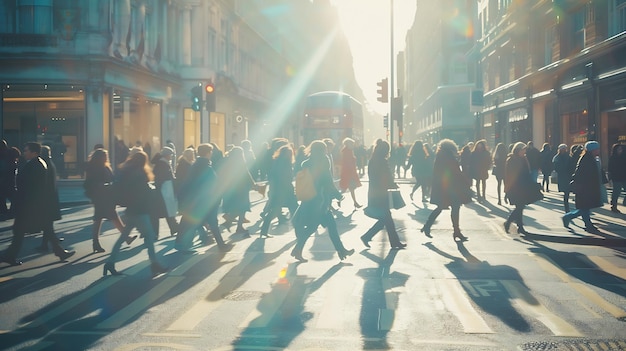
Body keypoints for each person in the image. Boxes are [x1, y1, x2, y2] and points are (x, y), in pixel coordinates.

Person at [1, 142, 74, 266]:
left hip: (29, 205)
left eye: (26, 151)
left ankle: (10, 255)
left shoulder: (36, 165)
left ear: (34, 152)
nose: (24, 153)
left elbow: (30, 188)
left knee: (22, 231)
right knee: (42, 229)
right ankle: (59, 252)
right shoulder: (34, 164)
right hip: (31, 205)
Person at [103, 151, 167, 276]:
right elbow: (141, 193)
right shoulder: (140, 173)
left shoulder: (127, 172)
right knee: (149, 236)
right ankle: (155, 264)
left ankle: (110, 263)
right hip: (141, 211)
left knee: (123, 238)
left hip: (131, 210)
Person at [290, 140, 354, 262]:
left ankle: (341, 250)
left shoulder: (306, 163)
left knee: (327, 226)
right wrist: (338, 195)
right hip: (320, 201)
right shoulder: (324, 161)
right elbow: (328, 182)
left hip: (309, 200)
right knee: (314, 227)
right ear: (322, 150)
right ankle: (297, 249)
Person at [176, 143, 229, 252]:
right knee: (195, 223)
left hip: (196, 200)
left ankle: (220, 244)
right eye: (211, 152)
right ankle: (183, 245)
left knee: (197, 222)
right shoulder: (205, 166)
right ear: (208, 153)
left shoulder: (196, 165)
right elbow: (211, 184)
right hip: (204, 201)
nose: (212, 153)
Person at [83, 148, 136, 253]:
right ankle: (96, 242)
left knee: (110, 217)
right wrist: (103, 185)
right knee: (100, 218)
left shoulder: (105, 167)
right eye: (104, 156)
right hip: (100, 197)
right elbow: (90, 183)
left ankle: (126, 237)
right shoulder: (94, 168)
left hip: (107, 196)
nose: (106, 158)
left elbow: (110, 178)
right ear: (99, 157)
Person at [420, 139, 470, 242]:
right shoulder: (447, 157)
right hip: (450, 187)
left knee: (443, 207)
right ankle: (456, 231)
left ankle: (428, 226)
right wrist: (465, 180)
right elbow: (454, 171)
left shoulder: (441, 156)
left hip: (445, 187)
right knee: (453, 208)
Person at [360, 139, 407, 249]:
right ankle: (394, 242)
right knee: (387, 219)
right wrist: (392, 184)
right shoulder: (381, 161)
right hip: (380, 194)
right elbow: (384, 177)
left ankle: (367, 237)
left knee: (385, 219)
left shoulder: (373, 160)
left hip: (375, 192)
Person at [562, 141, 606, 233]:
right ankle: (586, 224)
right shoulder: (586, 159)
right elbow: (579, 173)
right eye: (596, 149)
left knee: (584, 207)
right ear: (592, 150)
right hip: (585, 188)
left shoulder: (592, 158)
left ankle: (569, 217)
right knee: (585, 207)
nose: (598, 150)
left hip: (589, 187)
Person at [259, 144, 298, 238]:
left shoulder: (277, 162)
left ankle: (263, 231)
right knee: (295, 210)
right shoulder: (286, 164)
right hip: (285, 191)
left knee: (275, 211)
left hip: (277, 191)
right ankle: (299, 231)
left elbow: (273, 176)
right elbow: (286, 179)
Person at [504, 142, 543, 234]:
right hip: (515, 187)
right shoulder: (511, 159)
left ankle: (515, 224)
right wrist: (507, 189)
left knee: (520, 206)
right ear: (518, 150)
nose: (524, 151)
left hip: (524, 186)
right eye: (523, 150)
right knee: (520, 206)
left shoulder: (524, 158)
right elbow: (508, 175)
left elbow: (527, 172)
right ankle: (516, 225)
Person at [220, 146, 256, 235]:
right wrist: (253, 184)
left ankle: (230, 222)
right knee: (242, 208)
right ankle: (238, 226)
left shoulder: (227, 161)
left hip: (231, 188)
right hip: (241, 188)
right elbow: (246, 174)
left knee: (237, 207)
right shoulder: (240, 162)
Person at [151, 147, 179, 238]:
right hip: (164, 191)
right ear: (167, 155)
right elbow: (161, 178)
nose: (171, 157)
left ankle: (173, 228)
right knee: (166, 211)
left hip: (164, 190)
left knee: (165, 211)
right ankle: (173, 228)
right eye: (170, 155)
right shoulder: (163, 164)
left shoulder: (161, 163)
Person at [338, 137, 362, 209]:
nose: (353, 145)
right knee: (347, 188)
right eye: (351, 143)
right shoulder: (347, 152)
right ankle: (339, 198)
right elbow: (348, 163)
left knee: (350, 188)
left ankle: (355, 202)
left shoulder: (348, 151)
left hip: (349, 173)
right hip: (348, 173)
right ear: (348, 144)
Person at [552, 144, 574, 213]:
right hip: (563, 177)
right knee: (566, 192)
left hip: (567, 176)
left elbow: (571, 165)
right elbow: (556, 167)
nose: (564, 150)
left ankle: (567, 208)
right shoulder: (557, 157)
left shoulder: (567, 156)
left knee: (567, 192)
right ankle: (566, 208)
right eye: (563, 149)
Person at [608, 143, 626, 214]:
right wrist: (610, 178)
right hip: (616, 177)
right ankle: (614, 205)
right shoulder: (612, 158)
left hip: (624, 176)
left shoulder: (624, 157)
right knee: (616, 192)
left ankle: (624, 202)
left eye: (621, 149)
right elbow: (610, 169)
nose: (620, 151)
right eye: (618, 149)